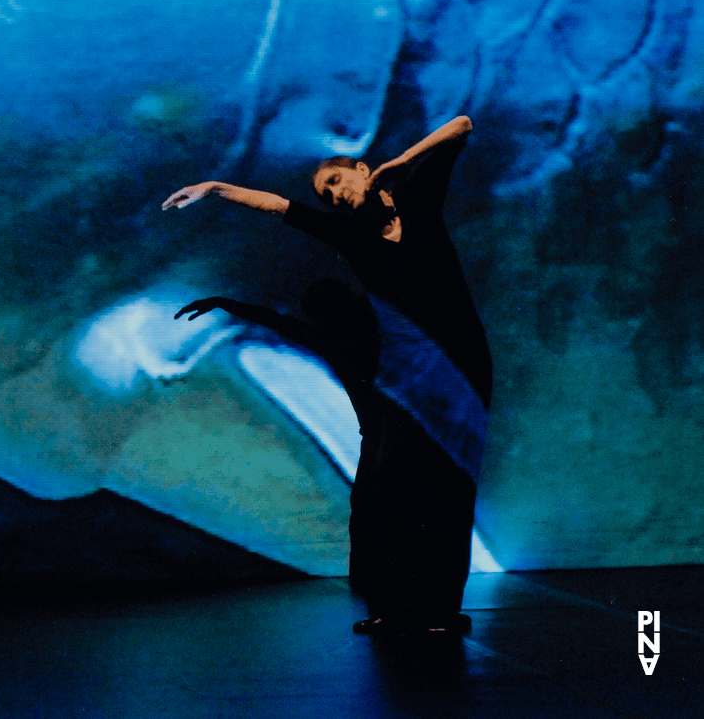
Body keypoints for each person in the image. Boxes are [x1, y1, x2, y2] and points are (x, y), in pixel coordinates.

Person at [163, 116, 492, 635]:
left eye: (336, 182)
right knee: (388, 488)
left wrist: (403, 161)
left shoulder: (418, 199)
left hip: (462, 361)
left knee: (450, 485)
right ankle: (389, 606)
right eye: (325, 193)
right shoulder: (348, 235)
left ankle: (442, 611)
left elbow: (462, 125)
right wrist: (217, 187)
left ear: (362, 171)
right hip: (402, 371)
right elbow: (277, 206)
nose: (332, 196)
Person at [176, 280, 390, 606]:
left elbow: (277, 321)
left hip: (390, 436)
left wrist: (223, 302)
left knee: (375, 516)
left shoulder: (348, 336)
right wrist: (224, 302)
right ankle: (379, 592)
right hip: (383, 436)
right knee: (370, 516)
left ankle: (385, 591)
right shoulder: (346, 335)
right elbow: (276, 321)